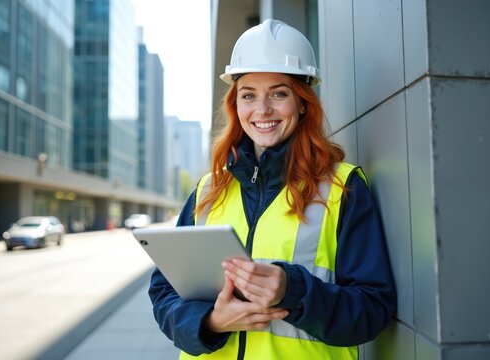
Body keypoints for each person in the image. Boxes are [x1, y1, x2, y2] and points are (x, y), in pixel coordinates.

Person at [149, 19, 396, 359]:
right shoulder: (209, 189)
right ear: (236, 105)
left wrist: (292, 290)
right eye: (248, 95)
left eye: (279, 94)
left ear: (303, 102)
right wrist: (208, 322)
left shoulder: (342, 187)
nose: (262, 110)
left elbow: (372, 309)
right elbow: (164, 291)